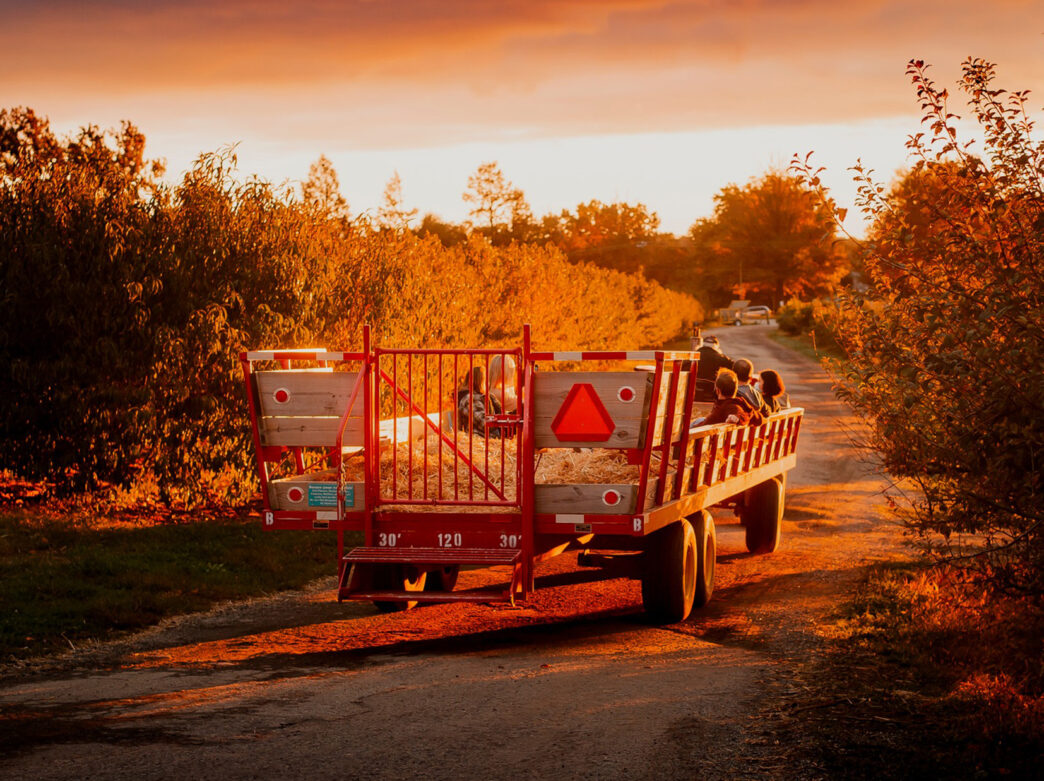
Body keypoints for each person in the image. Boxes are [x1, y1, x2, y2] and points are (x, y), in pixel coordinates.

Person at [693, 369, 764, 427]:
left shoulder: (728, 407)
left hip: (709, 440)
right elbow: (758, 418)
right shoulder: (740, 402)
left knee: (695, 423)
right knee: (700, 420)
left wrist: (737, 418)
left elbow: (738, 412)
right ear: (736, 389)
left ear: (718, 390)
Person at [456, 365, 502, 437]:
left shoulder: (484, 396)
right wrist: (502, 421)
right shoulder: (470, 399)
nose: (488, 383)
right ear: (480, 382)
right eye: (486, 380)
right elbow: (484, 423)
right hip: (482, 439)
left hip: (490, 438)